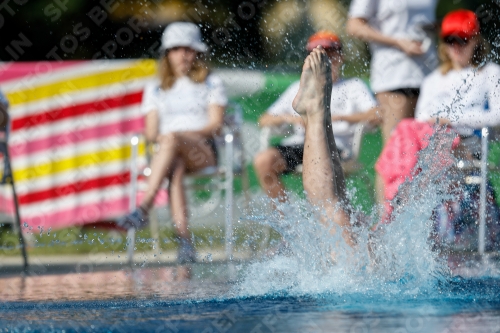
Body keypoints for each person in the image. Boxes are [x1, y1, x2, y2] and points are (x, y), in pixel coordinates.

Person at [375, 9, 500, 225]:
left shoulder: (489, 73)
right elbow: (423, 116)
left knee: (406, 133)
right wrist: (442, 121)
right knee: (405, 131)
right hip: (432, 141)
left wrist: (450, 119)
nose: (457, 46)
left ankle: (392, 213)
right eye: (450, 40)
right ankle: (395, 210)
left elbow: (496, 116)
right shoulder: (434, 78)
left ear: (475, 40)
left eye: (463, 39)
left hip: (467, 143)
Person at [118, 22, 228, 263]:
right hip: (170, 155)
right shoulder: (155, 88)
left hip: (203, 151)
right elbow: (151, 132)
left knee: (172, 140)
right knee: (175, 166)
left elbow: (215, 125)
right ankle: (185, 242)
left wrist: (179, 137)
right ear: (167, 54)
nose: (183, 55)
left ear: (197, 52)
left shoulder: (211, 82)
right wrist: (172, 140)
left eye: (188, 49)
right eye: (177, 49)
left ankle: (144, 207)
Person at [254, 31, 380, 202]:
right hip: (300, 144)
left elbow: (376, 114)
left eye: (329, 53)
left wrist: (339, 118)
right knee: (264, 161)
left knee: (321, 169)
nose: (324, 58)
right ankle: (288, 218)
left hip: (336, 145)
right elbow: (264, 119)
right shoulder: (295, 87)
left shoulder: (353, 86)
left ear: (340, 56)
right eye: (317, 54)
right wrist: (292, 119)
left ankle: (328, 218)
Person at [346, 0, 439, 212]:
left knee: (426, 152)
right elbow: (354, 26)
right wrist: (399, 42)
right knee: (395, 151)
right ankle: (386, 218)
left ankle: (423, 219)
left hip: (429, 75)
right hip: (394, 77)